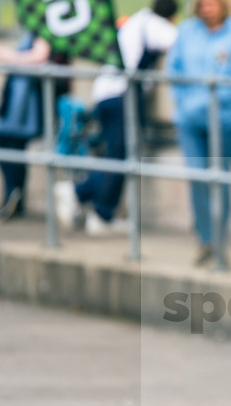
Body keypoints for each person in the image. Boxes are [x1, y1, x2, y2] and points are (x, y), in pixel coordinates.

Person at [55, 0, 179, 235]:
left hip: (106, 93)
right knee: (121, 157)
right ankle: (94, 207)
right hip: (123, 95)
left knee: (117, 155)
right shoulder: (156, 25)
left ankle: (87, 199)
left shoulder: (136, 21)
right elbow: (181, 43)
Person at [166, 0, 231, 266]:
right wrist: (187, 103)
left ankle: (220, 239)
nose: (207, 8)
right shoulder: (186, 31)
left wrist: (208, 98)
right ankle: (205, 239)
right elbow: (173, 71)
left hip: (225, 121)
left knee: (220, 179)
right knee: (197, 178)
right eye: (202, 3)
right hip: (190, 121)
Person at [0, 33, 70, 221]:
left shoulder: (45, 31)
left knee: (9, 143)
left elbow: (39, 58)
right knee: (6, 144)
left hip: (28, 103)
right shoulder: (32, 32)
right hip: (18, 100)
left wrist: (8, 57)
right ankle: (13, 196)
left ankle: (13, 196)